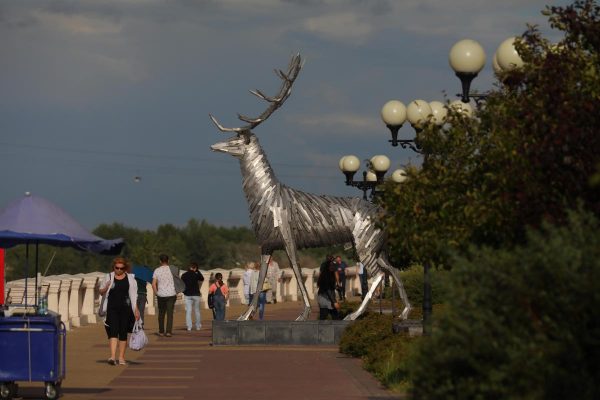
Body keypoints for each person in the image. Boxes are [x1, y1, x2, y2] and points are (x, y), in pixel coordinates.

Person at [99, 257, 140, 366]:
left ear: (125, 268)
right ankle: (112, 357)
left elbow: (133, 296)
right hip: (112, 309)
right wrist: (106, 287)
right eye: (116, 268)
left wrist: (136, 310)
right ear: (114, 267)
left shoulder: (130, 279)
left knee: (123, 333)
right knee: (113, 332)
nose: (118, 270)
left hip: (126, 309)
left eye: (121, 268)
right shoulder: (108, 277)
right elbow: (101, 291)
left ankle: (121, 357)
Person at [152, 254, 177, 337]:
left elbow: (153, 284)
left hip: (161, 294)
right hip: (171, 294)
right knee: (170, 314)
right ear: (168, 261)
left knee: (161, 313)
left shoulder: (157, 270)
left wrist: (157, 293)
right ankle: (169, 332)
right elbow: (177, 281)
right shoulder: (173, 270)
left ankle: (161, 331)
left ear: (160, 261)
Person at [181, 261, 204, 331]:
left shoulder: (184, 275)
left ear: (189, 267)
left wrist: (184, 291)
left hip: (187, 295)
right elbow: (202, 278)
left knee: (188, 311)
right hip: (196, 294)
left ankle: (189, 326)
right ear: (195, 268)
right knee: (197, 311)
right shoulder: (196, 274)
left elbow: (181, 284)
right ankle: (197, 326)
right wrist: (197, 271)